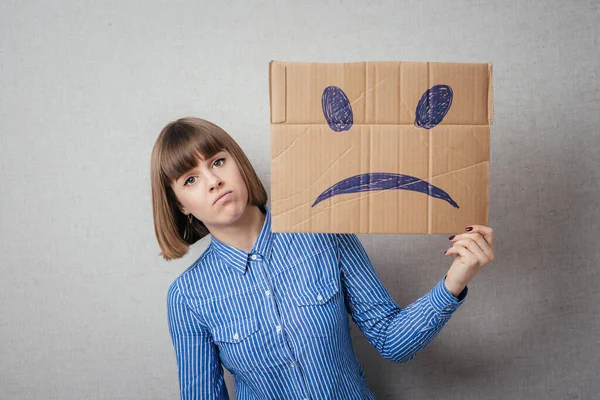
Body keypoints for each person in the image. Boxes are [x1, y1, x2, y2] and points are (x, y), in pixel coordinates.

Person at [150, 117, 495, 400]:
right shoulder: (188, 297)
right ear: (180, 204)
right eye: (191, 179)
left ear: (237, 162)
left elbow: (392, 342)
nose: (213, 181)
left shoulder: (324, 233)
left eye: (218, 161)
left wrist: (456, 279)